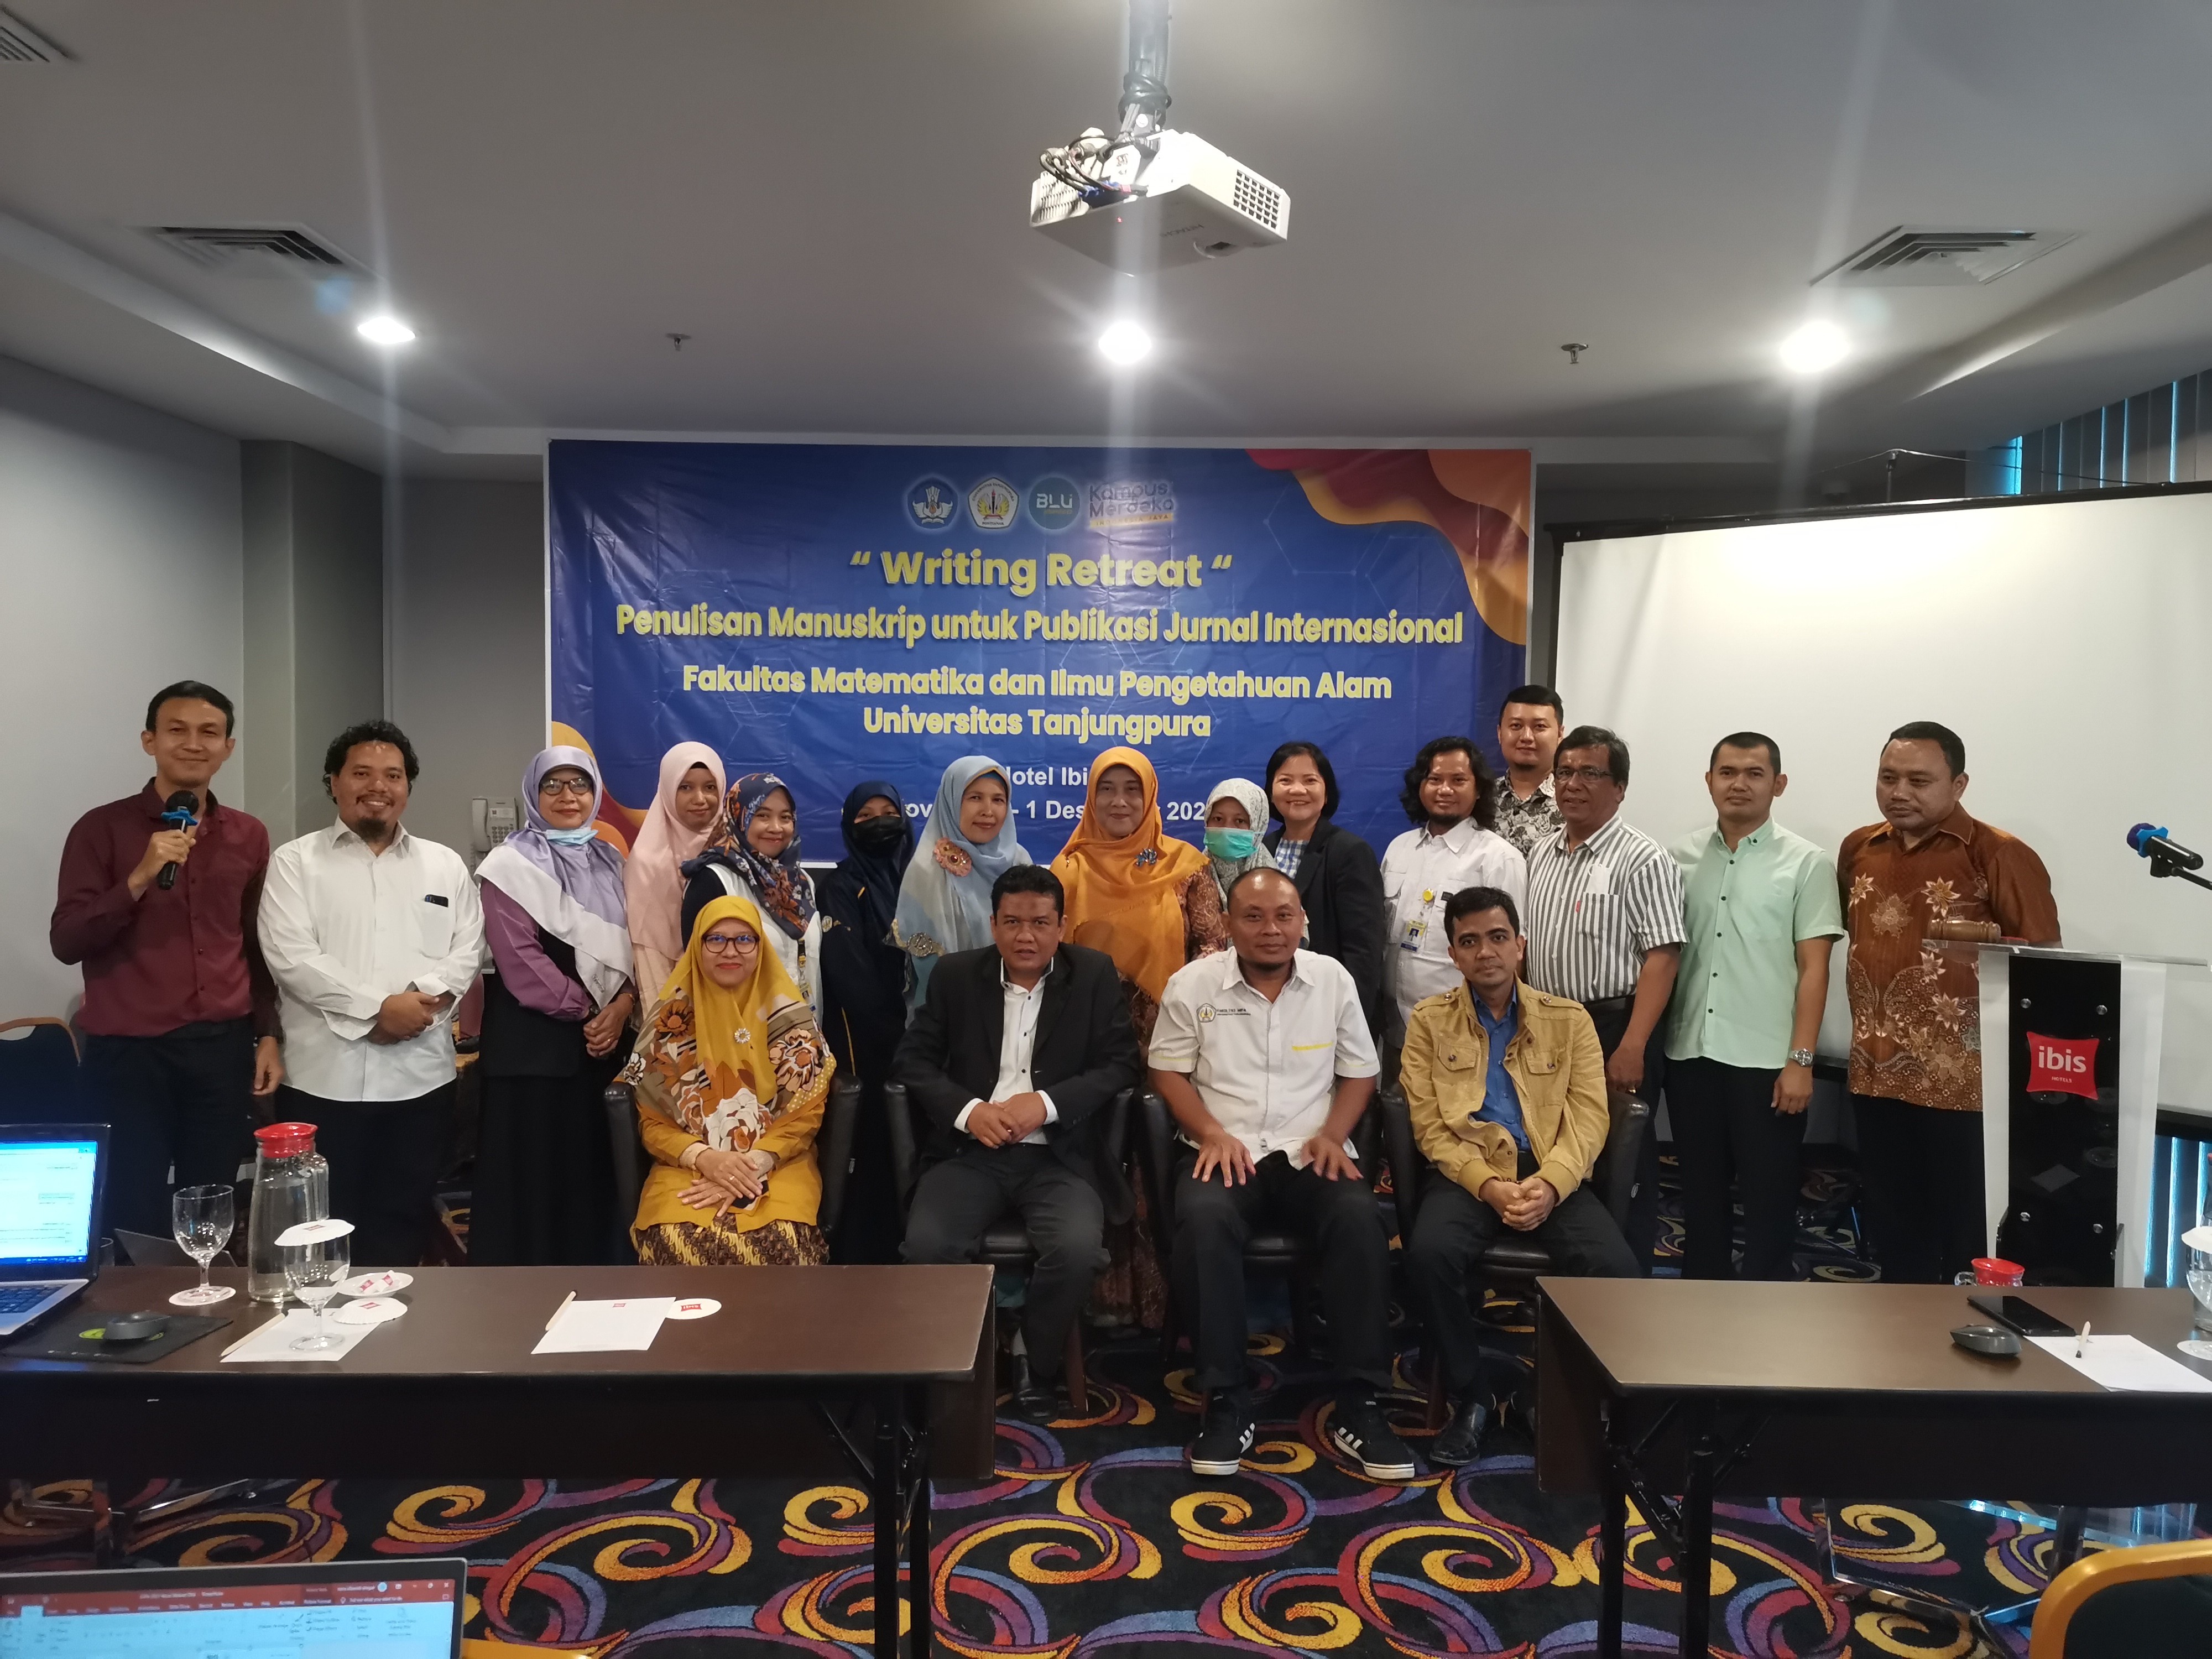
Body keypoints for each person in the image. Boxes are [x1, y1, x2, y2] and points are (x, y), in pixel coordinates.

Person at [1150, 867, 1413, 1483]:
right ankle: (1226, 1398)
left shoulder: (1332, 980)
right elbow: (1166, 1071)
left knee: (1358, 1217)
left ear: (1303, 921)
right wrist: (1210, 1131)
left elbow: (1359, 1072)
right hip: (1225, 1148)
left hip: (1308, 1151)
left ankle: (1361, 1402)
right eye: (1254, 916)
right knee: (1204, 1220)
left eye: (1284, 916)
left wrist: (1333, 1135)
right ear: (1228, 924)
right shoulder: (1193, 983)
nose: (1271, 929)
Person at [895, 865, 1141, 1419]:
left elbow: (1121, 1064)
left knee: (1077, 1251)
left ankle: (1035, 1354)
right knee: (928, 1247)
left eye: (1039, 923)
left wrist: (1046, 1104)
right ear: (993, 925)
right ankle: (951, 1358)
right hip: (970, 1155)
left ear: (1061, 926)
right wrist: (969, 1112)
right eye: (1011, 923)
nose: (1025, 936)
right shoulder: (958, 976)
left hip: (1059, 1156)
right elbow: (912, 1061)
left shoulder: (1093, 974)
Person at [1401, 886, 1636, 1465]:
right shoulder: (1428, 1021)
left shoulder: (1570, 1019)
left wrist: (1551, 1183)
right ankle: (1473, 1394)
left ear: (1520, 945)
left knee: (1617, 1270)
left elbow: (1589, 1117)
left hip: (1549, 1168)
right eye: (1470, 941)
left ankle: (1541, 1395)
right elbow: (1428, 1126)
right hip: (1469, 1170)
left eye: (1498, 937)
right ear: (1453, 954)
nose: (1486, 952)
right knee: (1428, 1256)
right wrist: (1486, 1184)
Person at [49, 681, 283, 1235]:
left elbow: (256, 943)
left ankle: (206, 1291)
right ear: (149, 741)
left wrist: (268, 1034)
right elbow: (67, 941)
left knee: (212, 1205)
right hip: (129, 1055)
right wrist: (137, 879)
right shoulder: (101, 829)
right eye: (177, 730)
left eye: (209, 733)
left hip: (220, 1050)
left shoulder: (248, 835)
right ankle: (141, 1296)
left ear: (227, 748)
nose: (193, 744)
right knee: (132, 1210)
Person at [1839, 721, 2059, 1285]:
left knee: (1966, 1239)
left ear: (1958, 785)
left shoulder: (1998, 854)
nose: (1899, 793)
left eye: (1918, 781)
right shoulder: (1859, 848)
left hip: (1965, 1088)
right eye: (1888, 778)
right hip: (1876, 1074)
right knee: (1895, 1237)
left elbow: (2045, 963)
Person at [258, 721, 484, 1267]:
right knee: (316, 1228)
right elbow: (292, 956)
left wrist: (416, 1006)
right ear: (333, 782)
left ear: (407, 787)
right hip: (322, 1081)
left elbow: (468, 949)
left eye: (393, 775)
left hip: (419, 1082)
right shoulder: (295, 862)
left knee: (402, 1224)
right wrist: (377, 1011)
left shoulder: (444, 865)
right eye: (361, 773)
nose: (378, 786)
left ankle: (392, 1319)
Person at [1665, 734, 1843, 1282]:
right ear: (1709, 781)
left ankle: (1766, 1313)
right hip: (1690, 1054)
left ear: (1778, 784)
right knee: (1699, 1198)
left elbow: (1815, 970)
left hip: (1767, 1065)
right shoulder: (1677, 858)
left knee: (1769, 1202)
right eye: (1726, 772)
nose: (1738, 784)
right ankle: (1702, 1302)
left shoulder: (1807, 863)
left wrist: (1801, 1061)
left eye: (1753, 773)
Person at [1522, 725, 1684, 1270]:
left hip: (1615, 1027)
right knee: (1555, 1147)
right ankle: (1565, 1276)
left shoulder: (1643, 858)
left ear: (1619, 788)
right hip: (1548, 1028)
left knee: (1623, 1159)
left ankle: (1626, 1284)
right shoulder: (1541, 852)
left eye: (1589, 773)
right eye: (1564, 773)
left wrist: (1633, 1045)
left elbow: (1663, 956)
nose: (1572, 784)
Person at [470, 747, 637, 1265]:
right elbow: (519, 960)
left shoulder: (612, 862)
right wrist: (589, 1013)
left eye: (580, 784)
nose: (569, 796)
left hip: (602, 1054)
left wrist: (624, 1004)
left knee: (594, 1182)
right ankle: (522, 1303)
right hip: (533, 1057)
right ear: (534, 794)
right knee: (532, 1189)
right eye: (554, 785)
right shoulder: (509, 865)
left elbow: (636, 947)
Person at [622, 893, 836, 1264]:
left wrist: (751, 1166)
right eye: (716, 939)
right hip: (687, 1168)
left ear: (760, 946)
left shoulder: (791, 1019)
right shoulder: (670, 1022)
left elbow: (805, 1115)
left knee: (784, 1245)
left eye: (744, 939)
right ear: (698, 946)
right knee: (674, 1244)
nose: (730, 951)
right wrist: (705, 1159)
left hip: (778, 1162)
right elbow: (653, 1122)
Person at [1053, 746, 1227, 1046]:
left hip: (1174, 1032)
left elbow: (1211, 944)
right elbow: (1052, 956)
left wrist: (1189, 1003)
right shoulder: (1069, 869)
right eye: (1107, 789)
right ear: (1092, 798)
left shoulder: (1185, 865)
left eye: (1132, 790)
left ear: (1149, 796)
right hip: (1088, 1035)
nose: (1119, 801)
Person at [817, 780, 916, 1262]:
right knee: (871, 1149)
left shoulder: (923, 879)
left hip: (927, 1045)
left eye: (888, 812)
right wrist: (898, 1029)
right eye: (865, 816)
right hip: (868, 1044)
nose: (879, 823)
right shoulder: (840, 886)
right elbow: (848, 971)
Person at [1381, 735, 1527, 1037]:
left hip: (1465, 1028)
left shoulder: (1498, 858)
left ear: (1478, 789)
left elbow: (1512, 954)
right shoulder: (1399, 849)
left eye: (1458, 780)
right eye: (1435, 779)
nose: (1445, 790)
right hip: (1395, 1026)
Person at [1260, 741, 1387, 1042]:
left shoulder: (1350, 852)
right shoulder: (1262, 849)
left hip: (1327, 1011)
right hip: (1266, 1008)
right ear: (1271, 791)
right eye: (1285, 780)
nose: (1298, 790)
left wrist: (1347, 1022)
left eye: (1310, 780)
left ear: (1326, 792)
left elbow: (1364, 951)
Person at [895, 755, 1031, 1009]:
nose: (988, 811)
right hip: (950, 1012)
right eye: (975, 798)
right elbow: (931, 970)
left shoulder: (1019, 860)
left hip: (1020, 1007)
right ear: (952, 801)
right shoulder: (927, 870)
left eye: (998, 800)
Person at [682, 773, 822, 1012]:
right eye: (762, 815)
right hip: (742, 1028)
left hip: (804, 1028)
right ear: (739, 817)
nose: (776, 828)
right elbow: (700, 972)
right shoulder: (714, 881)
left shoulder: (802, 883)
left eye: (785, 817)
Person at [623, 741, 726, 999]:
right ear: (668, 791)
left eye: (710, 787)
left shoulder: (734, 852)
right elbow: (647, 953)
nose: (700, 799)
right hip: (669, 998)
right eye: (685, 787)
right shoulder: (647, 862)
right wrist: (670, 1016)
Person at [1491, 685, 1566, 858]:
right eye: (1516, 726)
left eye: (1539, 726)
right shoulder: (1480, 798)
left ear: (1560, 734)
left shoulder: (1575, 799)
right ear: (1500, 733)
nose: (1526, 737)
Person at [1200, 778, 1277, 904]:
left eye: (1240, 821)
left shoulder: (1276, 886)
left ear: (1258, 826)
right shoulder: (1193, 875)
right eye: (1218, 819)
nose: (1227, 829)